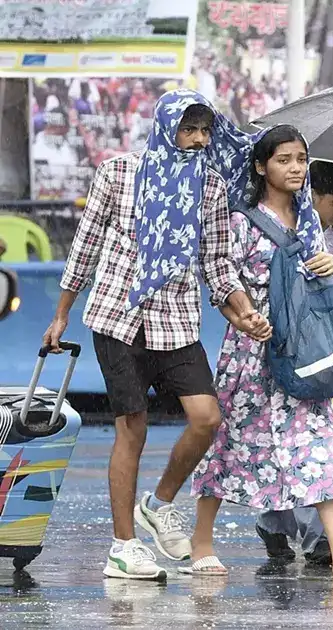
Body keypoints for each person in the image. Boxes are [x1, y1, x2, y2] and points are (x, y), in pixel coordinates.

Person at [45, 90, 265, 581]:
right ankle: (123, 547)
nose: (197, 140)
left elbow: (216, 263)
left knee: (206, 418)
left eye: (205, 131)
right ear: (167, 126)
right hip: (118, 315)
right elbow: (87, 246)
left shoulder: (209, 186)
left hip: (177, 320)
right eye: (189, 129)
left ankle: (159, 501)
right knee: (133, 427)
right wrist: (61, 314)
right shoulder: (119, 172)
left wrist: (243, 311)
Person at [189, 126, 333, 581]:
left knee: (323, 444)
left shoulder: (309, 220)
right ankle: (201, 540)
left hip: (302, 352)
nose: (296, 168)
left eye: (301, 159)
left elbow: (319, 278)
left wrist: (323, 266)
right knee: (228, 447)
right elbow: (219, 276)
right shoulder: (240, 220)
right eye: (284, 160)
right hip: (253, 352)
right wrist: (243, 314)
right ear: (262, 167)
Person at [253, 161, 333, 566]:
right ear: (313, 197)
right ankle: (320, 537)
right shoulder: (291, 236)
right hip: (301, 351)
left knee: (308, 445)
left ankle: (275, 521)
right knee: (307, 444)